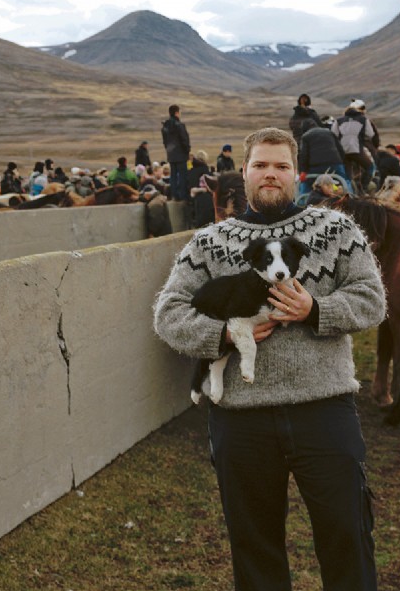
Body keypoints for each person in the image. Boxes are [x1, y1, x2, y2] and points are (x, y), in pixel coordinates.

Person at [153, 126, 385, 591]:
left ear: (296, 173)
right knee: (255, 549)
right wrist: (221, 334)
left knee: (347, 538)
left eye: (281, 166)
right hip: (242, 420)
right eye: (260, 165)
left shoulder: (337, 230)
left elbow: (371, 300)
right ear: (244, 173)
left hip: (324, 409)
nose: (270, 175)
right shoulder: (209, 243)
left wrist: (315, 309)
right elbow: (169, 314)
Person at [332, 101, 376, 194]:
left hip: (343, 151)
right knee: (370, 167)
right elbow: (370, 134)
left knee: (347, 175)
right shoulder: (363, 119)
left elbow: (334, 134)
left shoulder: (339, 120)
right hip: (357, 149)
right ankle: (363, 187)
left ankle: (349, 193)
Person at [161, 104, 191, 201]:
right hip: (181, 155)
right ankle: (183, 196)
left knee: (173, 176)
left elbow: (165, 142)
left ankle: (174, 195)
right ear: (177, 113)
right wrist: (187, 150)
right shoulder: (180, 126)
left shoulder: (165, 127)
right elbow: (184, 140)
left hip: (171, 155)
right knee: (182, 176)